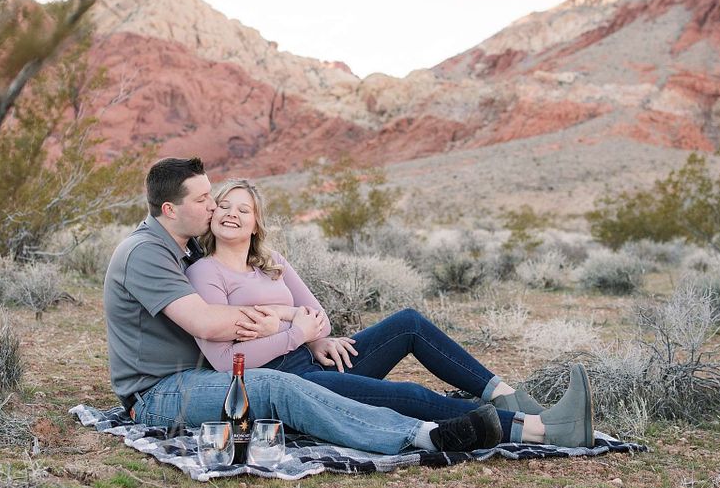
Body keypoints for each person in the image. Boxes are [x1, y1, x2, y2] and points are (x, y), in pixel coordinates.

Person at [104, 157, 506, 457]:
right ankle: (425, 436)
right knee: (280, 386)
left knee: (405, 326)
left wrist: (310, 335)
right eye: (208, 200)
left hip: (227, 370)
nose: (216, 208)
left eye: (228, 204)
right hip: (161, 392)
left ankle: (506, 401)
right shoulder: (148, 252)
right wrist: (290, 323)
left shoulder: (187, 247)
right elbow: (207, 323)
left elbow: (310, 315)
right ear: (171, 210)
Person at [184, 178, 595, 448]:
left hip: (316, 357)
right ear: (212, 215)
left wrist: (297, 324)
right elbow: (225, 361)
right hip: (289, 382)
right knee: (408, 395)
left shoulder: (270, 260)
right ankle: (542, 430)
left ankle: (505, 396)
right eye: (223, 205)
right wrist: (293, 332)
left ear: (256, 223)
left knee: (409, 324)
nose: (231, 213)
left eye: (243, 208)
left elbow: (318, 317)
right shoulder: (206, 272)